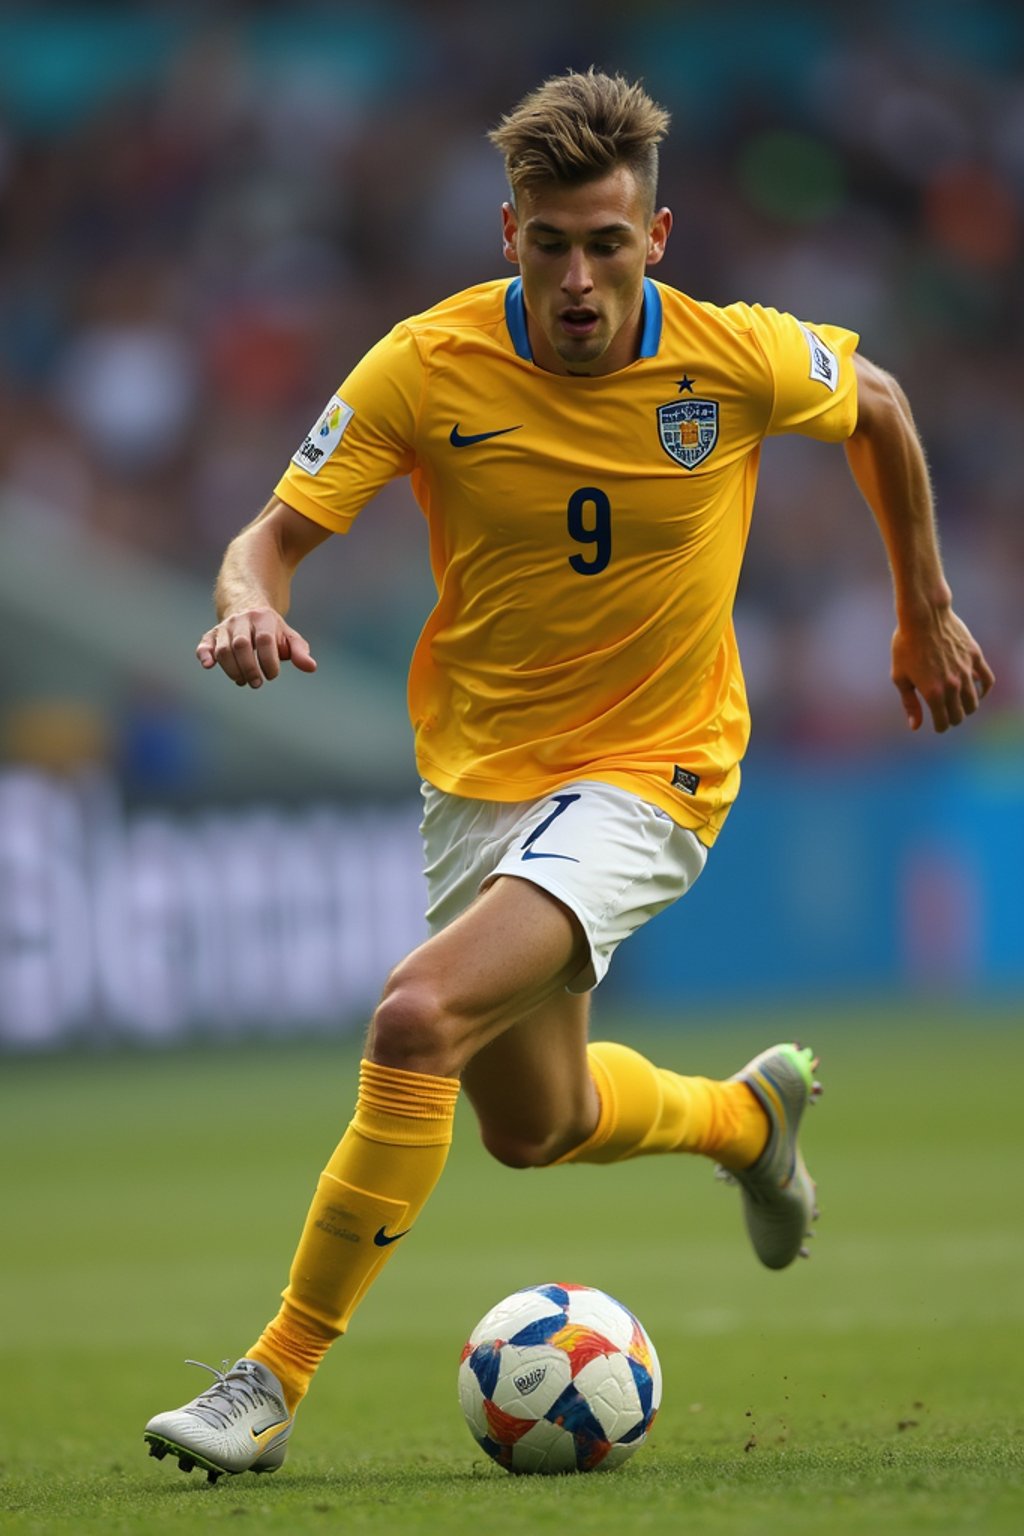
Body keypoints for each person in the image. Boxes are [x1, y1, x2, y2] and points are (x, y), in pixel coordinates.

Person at [144, 69, 994, 1482]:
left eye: (609, 244)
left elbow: (884, 406)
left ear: (654, 243)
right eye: (553, 244)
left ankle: (268, 1379)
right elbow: (270, 538)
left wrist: (924, 607)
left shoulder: (733, 356)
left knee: (415, 1018)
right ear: (509, 236)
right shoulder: (426, 364)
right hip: (485, 779)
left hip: (656, 770)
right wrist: (248, 597)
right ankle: (744, 1118)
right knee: (536, 1126)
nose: (581, 278)